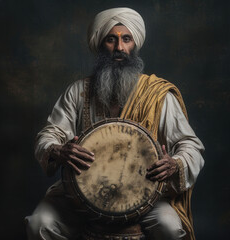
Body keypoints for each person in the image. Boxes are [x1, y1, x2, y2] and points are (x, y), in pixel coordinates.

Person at [25, 7, 204, 240]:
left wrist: (176, 164)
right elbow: (49, 134)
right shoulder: (78, 91)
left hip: (145, 198)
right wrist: (58, 150)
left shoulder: (158, 95)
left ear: (135, 44)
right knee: (40, 224)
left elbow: (190, 145)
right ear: (101, 44)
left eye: (126, 39)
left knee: (169, 229)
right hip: (79, 195)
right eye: (111, 39)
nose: (119, 47)